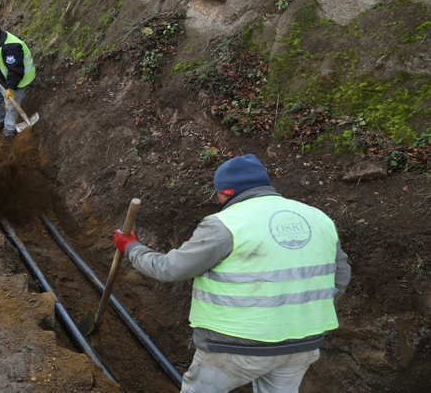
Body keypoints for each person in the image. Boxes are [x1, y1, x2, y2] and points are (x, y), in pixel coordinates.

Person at [113, 154, 351, 393]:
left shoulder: (227, 223)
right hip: (303, 344)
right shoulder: (319, 218)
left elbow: (169, 268)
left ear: (225, 192)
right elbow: (340, 277)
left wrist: (132, 247)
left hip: (235, 345)